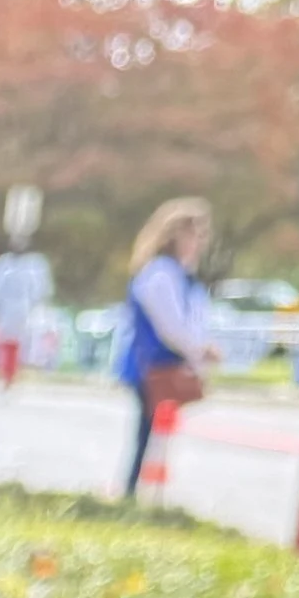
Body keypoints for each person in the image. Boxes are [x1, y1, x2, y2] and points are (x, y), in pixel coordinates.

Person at [114, 198, 218, 496]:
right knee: (146, 431)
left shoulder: (181, 275)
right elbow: (171, 326)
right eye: (193, 234)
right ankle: (133, 489)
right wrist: (199, 349)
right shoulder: (160, 273)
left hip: (163, 363)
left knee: (154, 432)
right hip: (152, 364)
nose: (198, 243)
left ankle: (142, 490)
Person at [0, 233, 54, 387]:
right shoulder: (3, 264)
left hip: (25, 310)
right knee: (4, 341)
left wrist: (35, 305)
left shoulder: (34, 265)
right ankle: (4, 372)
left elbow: (41, 289)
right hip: (4, 309)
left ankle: (13, 373)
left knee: (21, 343)